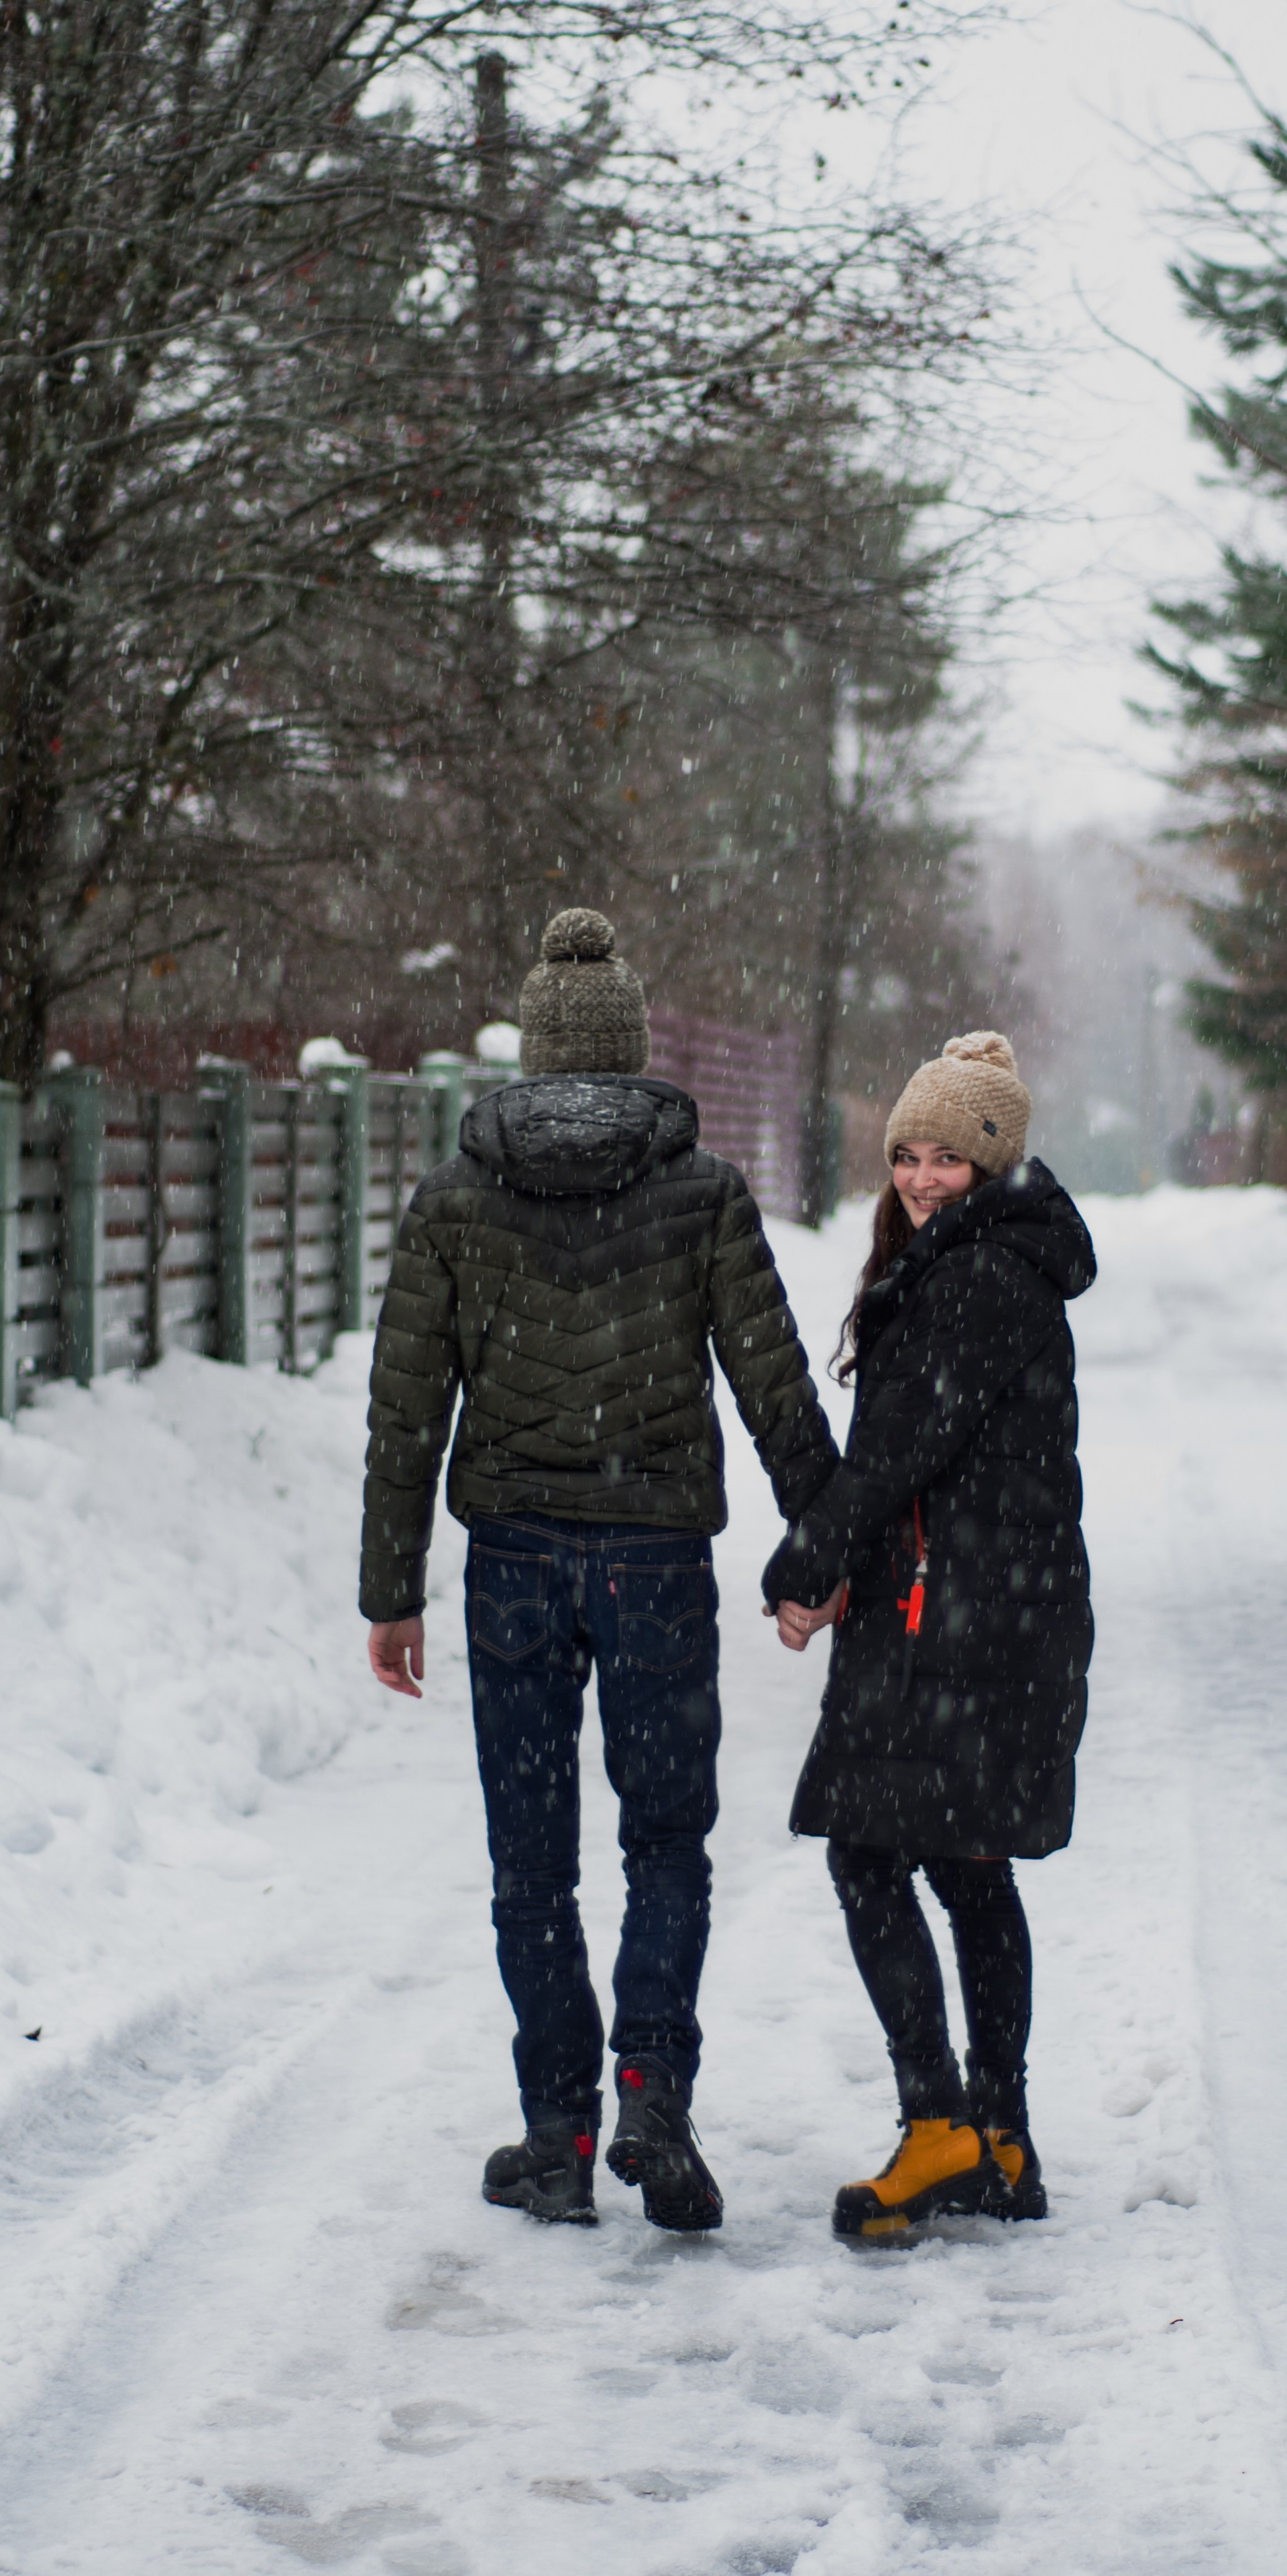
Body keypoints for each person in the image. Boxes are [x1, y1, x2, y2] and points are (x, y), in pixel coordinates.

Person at [361, 908, 836, 2233]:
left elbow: (407, 1407)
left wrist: (389, 1588)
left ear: (528, 1055)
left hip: (512, 1558)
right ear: (633, 1050)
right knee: (665, 1847)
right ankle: (652, 2090)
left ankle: (559, 2133)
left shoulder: (454, 1198)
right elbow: (770, 1380)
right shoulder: (701, 1191)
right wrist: (824, 1537)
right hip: (655, 1564)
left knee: (531, 1865)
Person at [763, 1031, 1095, 2239]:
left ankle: (944, 2125)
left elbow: (896, 1452)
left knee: (869, 1853)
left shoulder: (978, 1279)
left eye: (948, 1156)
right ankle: (999, 2135)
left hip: (957, 1618)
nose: (919, 1176)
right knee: (966, 1864)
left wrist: (806, 1564)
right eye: (907, 1153)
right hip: (991, 1610)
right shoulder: (988, 1260)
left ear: (993, 1162)